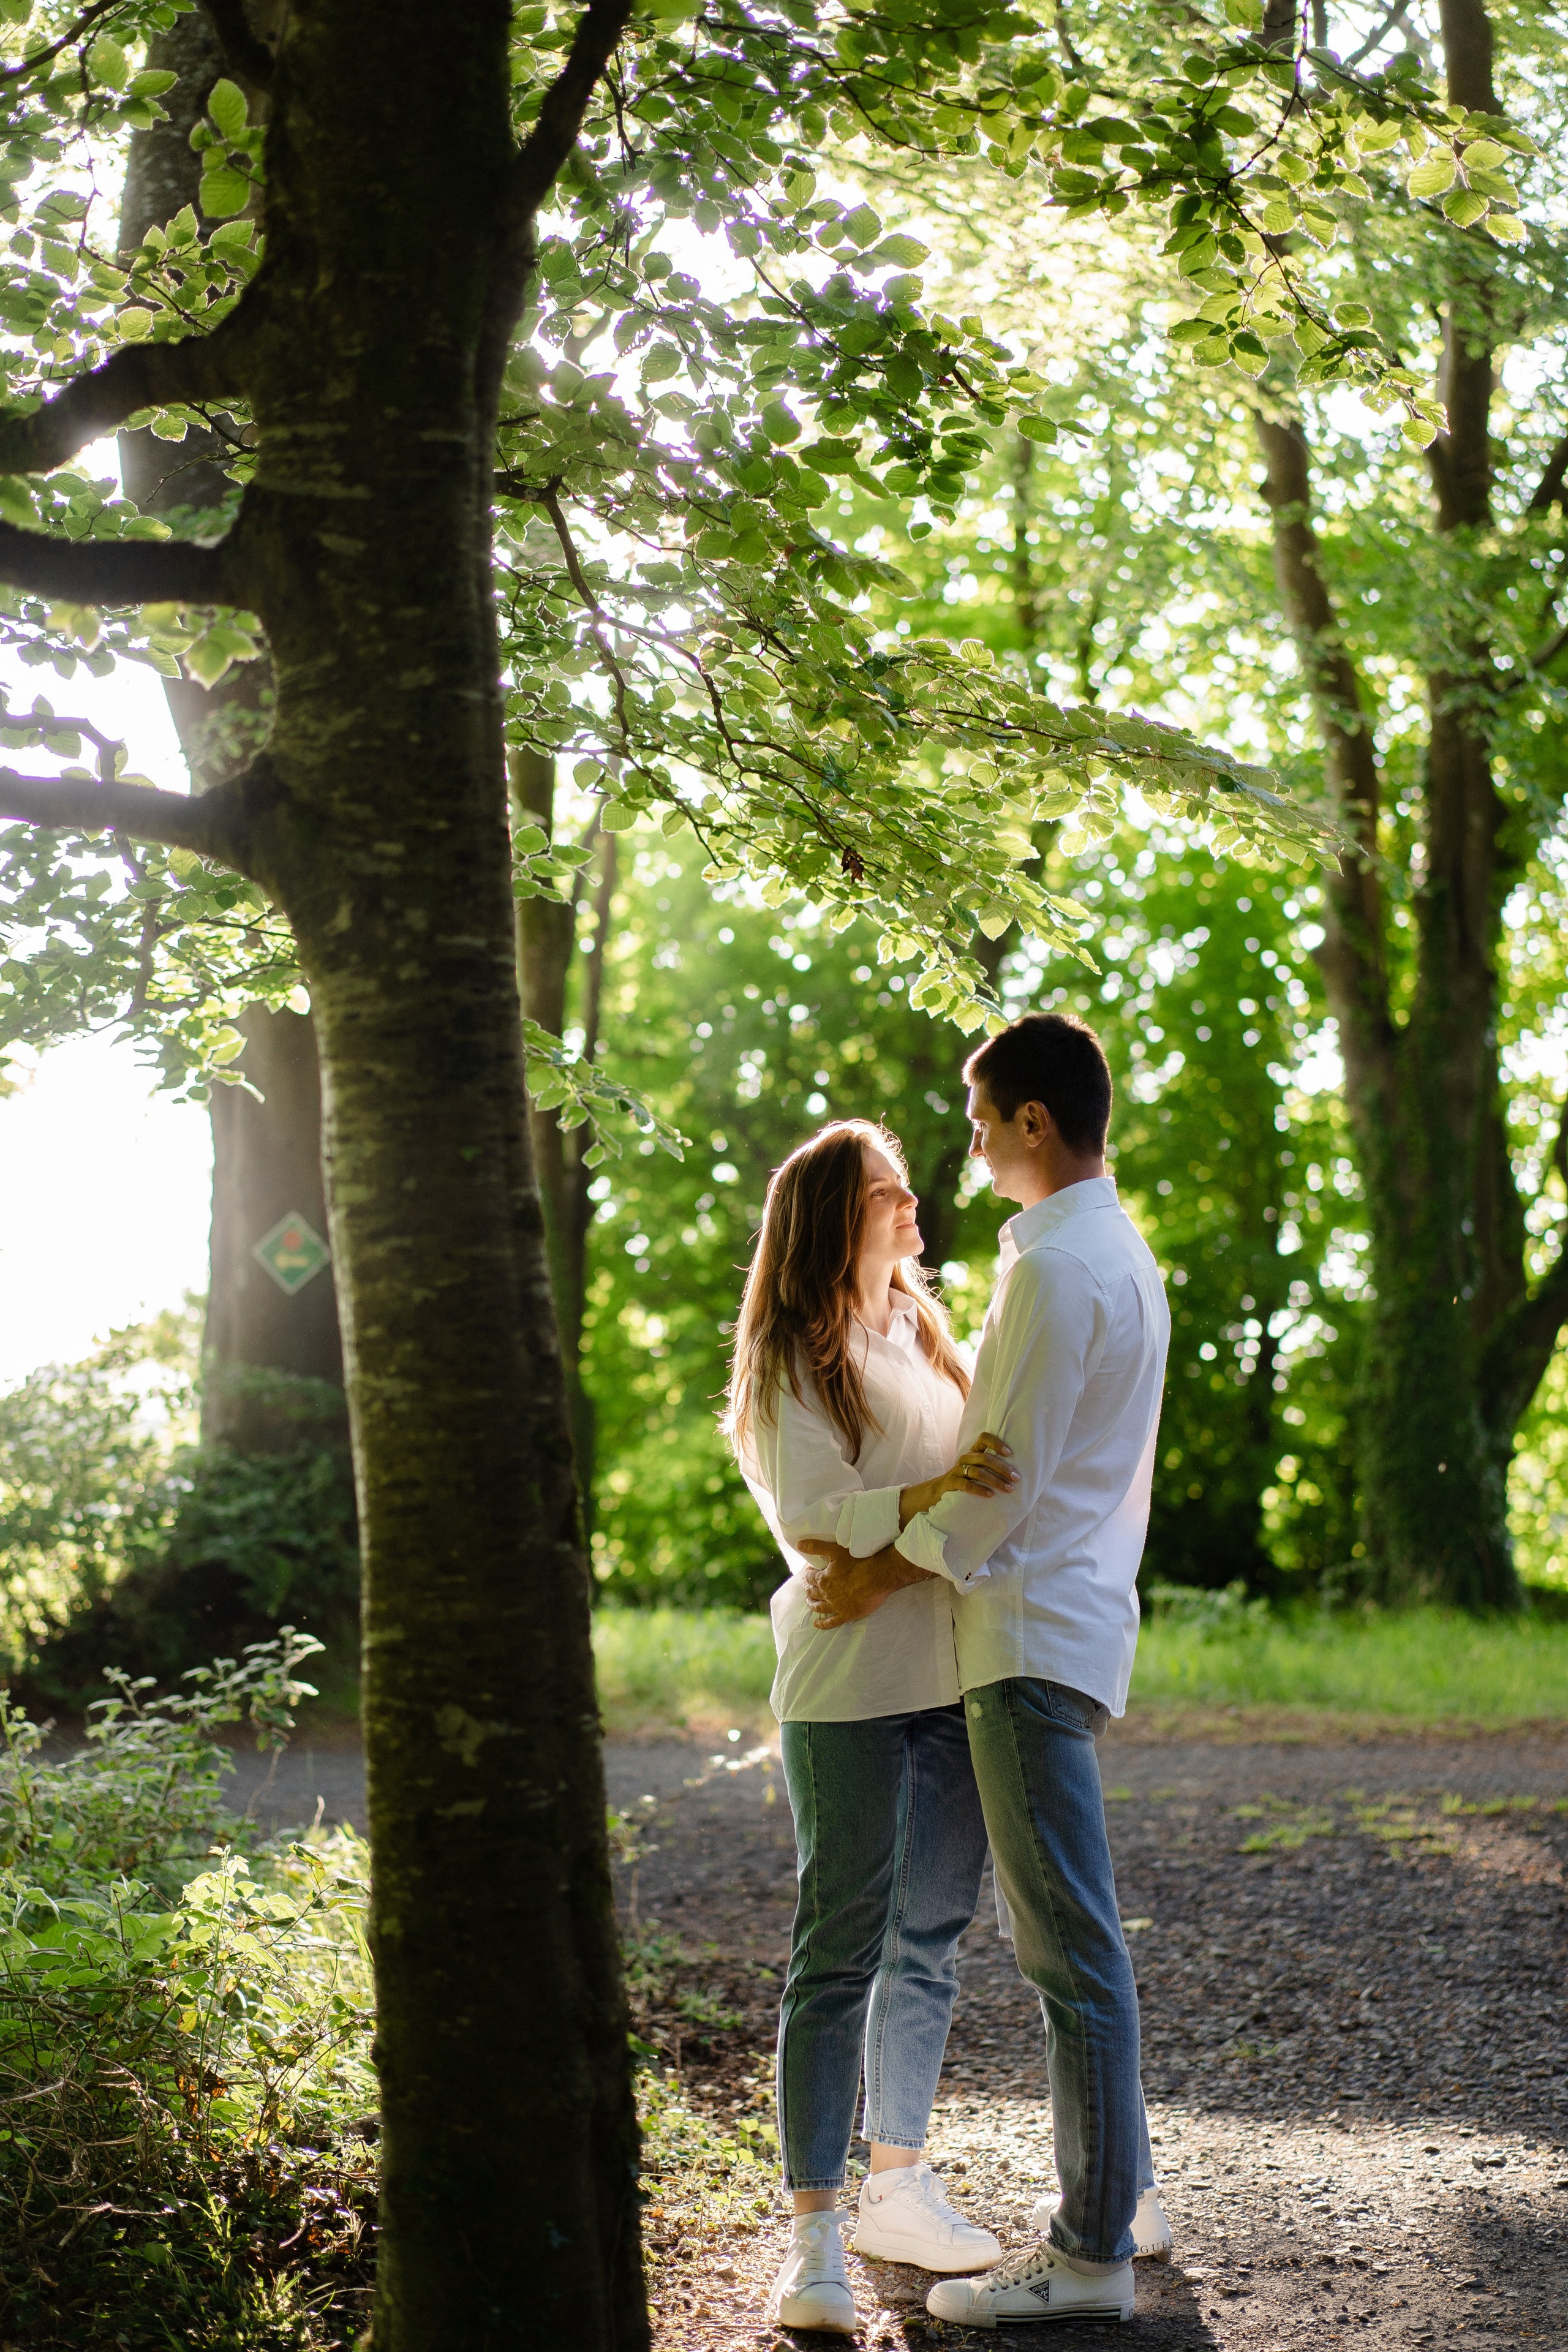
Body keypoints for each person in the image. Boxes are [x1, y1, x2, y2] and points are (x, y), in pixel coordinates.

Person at [800, 1013, 1172, 2329]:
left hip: (1018, 1636)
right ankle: (1119, 2203)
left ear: (1031, 1123)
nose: (964, 1149)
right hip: (1070, 1622)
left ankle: (1086, 2253)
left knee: (1068, 1951)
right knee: (1076, 1942)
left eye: (976, 1122)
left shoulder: (1054, 1274)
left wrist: (872, 1574)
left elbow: (989, 1492)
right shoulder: (1116, 1254)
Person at [726, 1119, 1021, 2334]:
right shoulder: (793, 1352)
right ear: (834, 1219)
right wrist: (931, 1500)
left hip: (949, 1671)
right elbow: (810, 1516)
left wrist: (904, 1536)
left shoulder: (926, 1332)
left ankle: (897, 2185)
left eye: (908, 1193)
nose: (914, 1211)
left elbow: (983, 1500)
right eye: (889, 1197)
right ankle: (813, 2246)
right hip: (843, 1683)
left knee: (933, 1931)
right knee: (837, 1942)